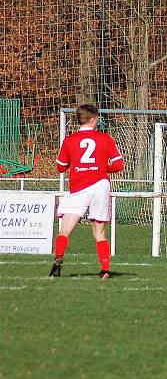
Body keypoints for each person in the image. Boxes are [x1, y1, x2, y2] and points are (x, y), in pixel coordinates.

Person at [50, 104, 124, 279]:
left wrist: (76, 165)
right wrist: (101, 169)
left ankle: (58, 260)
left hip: (78, 187)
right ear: (93, 119)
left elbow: (60, 168)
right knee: (99, 232)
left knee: (65, 230)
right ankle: (105, 269)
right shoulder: (105, 138)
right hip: (100, 185)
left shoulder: (70, 140)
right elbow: (119, 165)